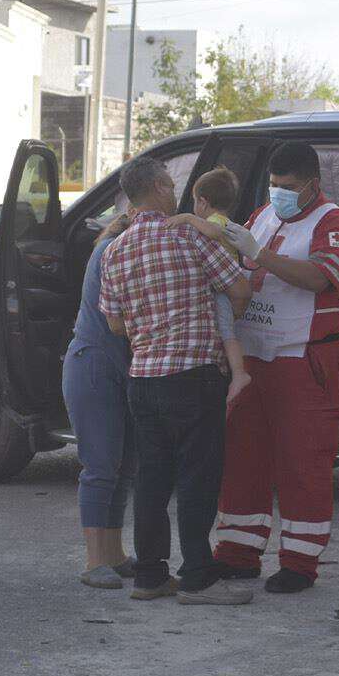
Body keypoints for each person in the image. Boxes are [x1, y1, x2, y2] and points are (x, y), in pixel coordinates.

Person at [202, 142, 339, 594]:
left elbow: (319, 277)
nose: (279, 194)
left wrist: (260, 253)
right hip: (254, 356)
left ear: (313, 184)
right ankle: (237, 552)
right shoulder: (263, 216)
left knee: (303, 462)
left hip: (304, 358)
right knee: (243, 457)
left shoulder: (336, 224)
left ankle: (299, 562)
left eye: (288, 187)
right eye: (273, 185)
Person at [98, 158, 255, 606]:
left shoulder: (115, 250)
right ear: (163, 188)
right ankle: (198, 577)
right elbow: (238, 289)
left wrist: (151, 326)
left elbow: (113, 324)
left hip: (143, 380)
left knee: (151, 479)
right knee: (197, 478)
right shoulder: (188, 235)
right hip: (193, 376)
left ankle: (149, 576)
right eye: (171, 185)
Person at [65, 211, 137, 588]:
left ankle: (114, 553)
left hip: (113, 367)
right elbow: (119, 319)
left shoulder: (113, 248)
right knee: (101, 466)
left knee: (122, 467)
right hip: (94, 366)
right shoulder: (111, 251)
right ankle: (95, 561)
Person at [178, 166, 251, 408]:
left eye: (194, 203)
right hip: (228, 284)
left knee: (227, 331)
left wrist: (188, 218)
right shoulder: (225, 220)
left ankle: (239, 373)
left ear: (202, 201)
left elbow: (213, 231)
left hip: (223, 289)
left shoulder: (215, 221)